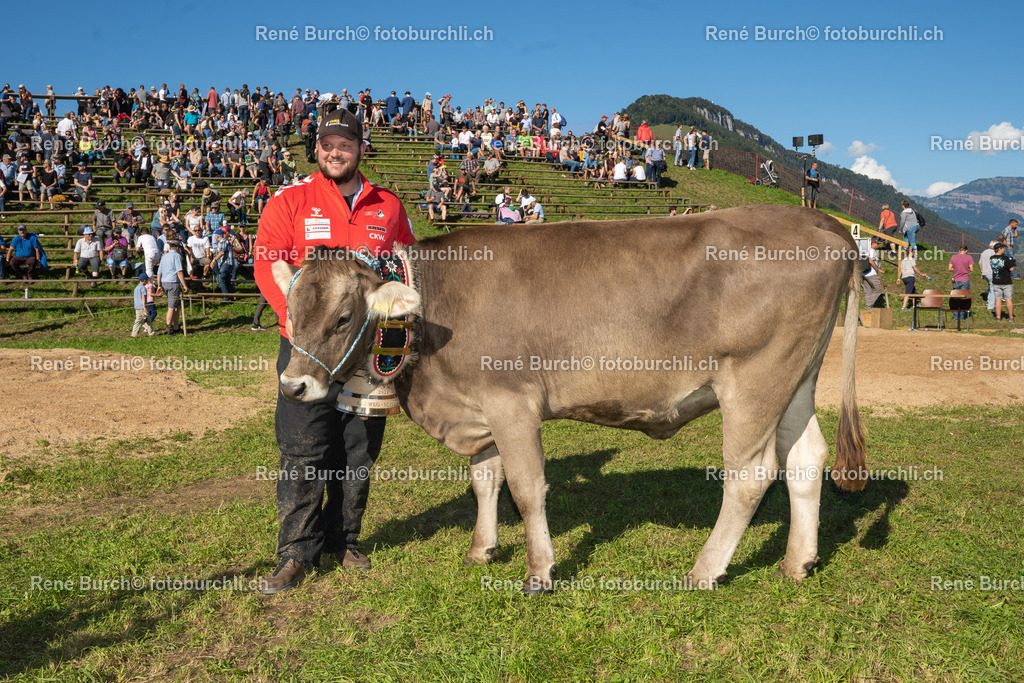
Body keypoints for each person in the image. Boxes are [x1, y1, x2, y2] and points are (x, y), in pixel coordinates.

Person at [252, 107, 415, 594]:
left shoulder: (387, 204)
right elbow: (268, 262)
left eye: (345, 144)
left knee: (358, 450)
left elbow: (404, 264)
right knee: (304, 448)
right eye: (327, 144)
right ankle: (296, 553)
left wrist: (397, 325)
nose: (335, 151)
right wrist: (301, 329)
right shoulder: (291, 200)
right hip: (307, 350)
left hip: (366, 355)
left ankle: (343, 539)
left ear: (361, 148)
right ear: (317, 149)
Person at [157, 239, 188, 334]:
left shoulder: (164, 257)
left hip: (164, 282)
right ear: (177, 248)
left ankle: (176, 326)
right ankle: (168, 329)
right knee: (171, 307)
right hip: (173, 283)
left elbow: (159, 273)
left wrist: (159, 285)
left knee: (176, 306)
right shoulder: (177, 256)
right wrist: (185, 285)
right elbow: (179, 271)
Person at [990, 242, 1016, 321]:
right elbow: (1011, 269)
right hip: (1006, 281)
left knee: (998, 299)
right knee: (1008, 299)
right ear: (999, 249)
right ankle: (1010, 317)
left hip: (996, 281)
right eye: (1003, 248)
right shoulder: (1005, 258)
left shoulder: (992, 258)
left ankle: (998, 317)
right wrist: (1012, 261)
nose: (1004, 249)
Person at [211, 227, 238, 302]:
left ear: (217, 235)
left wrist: (213, 260)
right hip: (226, 263)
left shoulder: (222, 241)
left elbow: (222, 252)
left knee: (221, 279)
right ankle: (231, 296)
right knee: (226, 280)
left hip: (226, 263)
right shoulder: (222, 242)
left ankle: (226, 297)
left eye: (215, 235)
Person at [947, 245, 974, 320]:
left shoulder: (953, 257)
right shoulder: (969, 257)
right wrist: (966, 269)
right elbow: (971, 269)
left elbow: (949, 268)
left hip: (956, 279)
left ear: (959, 250)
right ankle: (961, 316)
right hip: (965, 279)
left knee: (956, 298)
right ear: (966, 250)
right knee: (963, 299)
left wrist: (956, 269)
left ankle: (955, 315)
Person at [861, 237, 884, 309]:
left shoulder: (865, 250)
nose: (878, 245)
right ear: (872, 244)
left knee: (868, 291)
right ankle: (869, 304)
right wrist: (878, 269)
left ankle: (868, 306)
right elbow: (871, 261)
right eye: (877, 244)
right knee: (878, 289)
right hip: (872, 274)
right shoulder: (872, 251)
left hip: (864, 273)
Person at [979, 241, 997, 314]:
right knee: (993, 289)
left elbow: (980, 263)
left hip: (985, 272)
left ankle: (987, 292)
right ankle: (991, 305)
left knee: (991, 285)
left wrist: (982, 271)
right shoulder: (994, 253)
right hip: (991, 272)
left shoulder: (984, 252)